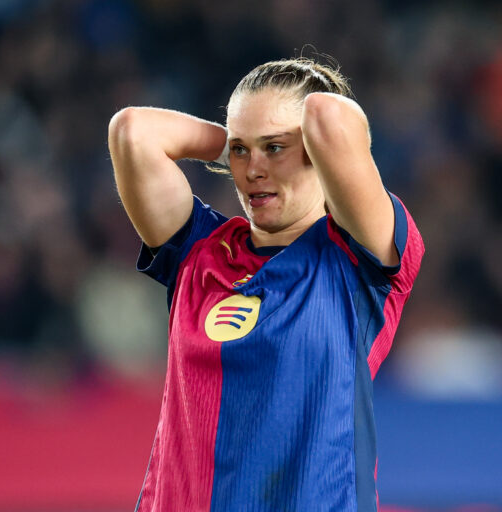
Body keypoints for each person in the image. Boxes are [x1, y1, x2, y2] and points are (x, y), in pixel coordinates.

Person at [107, 58, 424, 511]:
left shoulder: (358, 260)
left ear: (317, 152)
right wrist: (242, 146)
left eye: (275, 148)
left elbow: (330, 116)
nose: (252, 170)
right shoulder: (199, 252)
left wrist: (280, 145)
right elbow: (132, 131)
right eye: (240, 150)